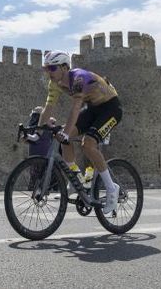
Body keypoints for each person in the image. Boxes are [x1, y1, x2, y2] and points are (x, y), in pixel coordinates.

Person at [37, 51, 123, 217]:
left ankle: (112, 188)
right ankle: (75, 180)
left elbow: (76, 108)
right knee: (62, 137)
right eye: (46, 68)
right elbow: (48, 108)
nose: (48, 72)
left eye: (52, 68)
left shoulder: (78, 78)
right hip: (92, 108)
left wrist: (67, 133)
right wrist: (38, 131)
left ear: (64, 67)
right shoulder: (53, 83)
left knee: (88, 144)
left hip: (111, 108)